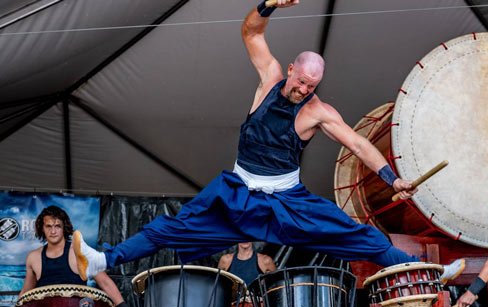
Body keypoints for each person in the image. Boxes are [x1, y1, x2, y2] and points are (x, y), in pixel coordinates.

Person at [72, 0, 464, 285]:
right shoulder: (269, 78)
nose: (302, 89)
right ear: (291, 69)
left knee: (354, 233)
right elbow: (250, 31)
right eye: (300, 81)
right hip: (239, 194)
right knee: (173, 228)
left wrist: (390, 177)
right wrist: (268, 4)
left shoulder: (318, 111)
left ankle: (427, 272)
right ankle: (104, 260)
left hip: (288, 201)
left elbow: (358, 144)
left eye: (311, 85)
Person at [15, 206, 135, 307]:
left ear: (64, 228)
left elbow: (105, 282)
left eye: (57, 226)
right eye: (48, 226)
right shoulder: (33, 257)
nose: (53, 231)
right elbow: (25, 294)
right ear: (42, 229)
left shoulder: (79, 252)